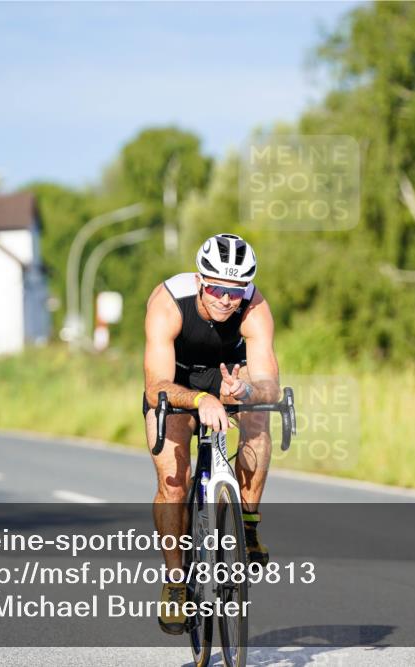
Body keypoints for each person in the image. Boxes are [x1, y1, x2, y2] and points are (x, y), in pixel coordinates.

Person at [143, 233, 279, 634]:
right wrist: (201, 401)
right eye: (217, 288)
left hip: (229, 374)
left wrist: (248, 391)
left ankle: (248, 523)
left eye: (235, 292)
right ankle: (175, 583)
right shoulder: (168, 303)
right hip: (178, 379)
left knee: (258, 417)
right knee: (174, 481)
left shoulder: (255, 307)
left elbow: (269, 383)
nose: (225, 299)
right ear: (201, 281)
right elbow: (157, 388)